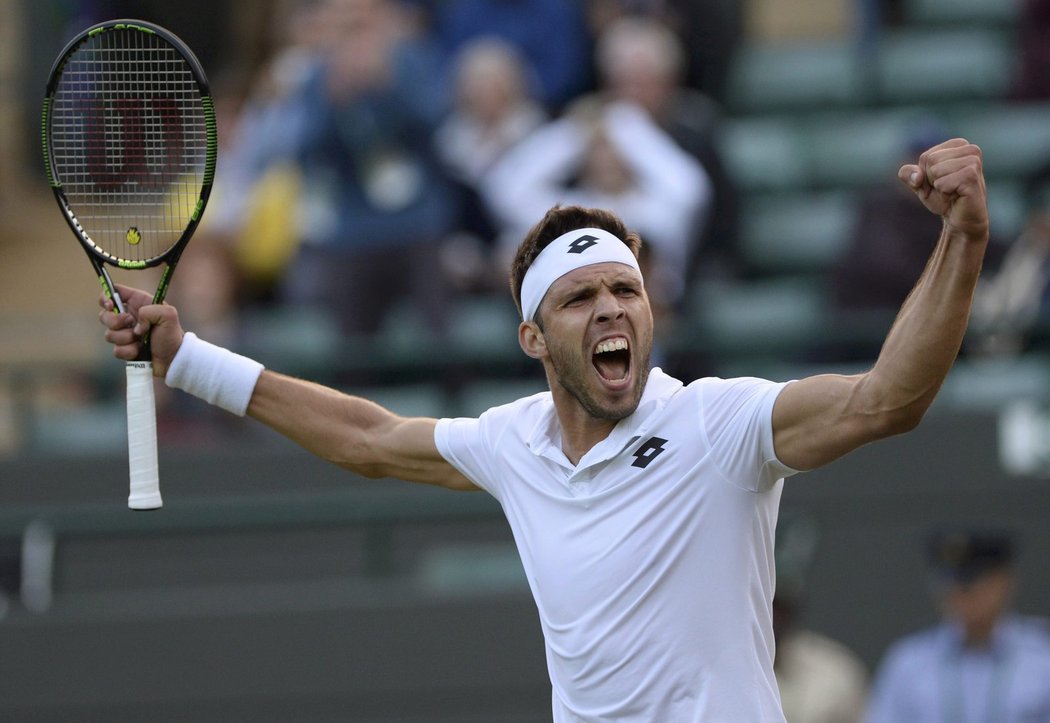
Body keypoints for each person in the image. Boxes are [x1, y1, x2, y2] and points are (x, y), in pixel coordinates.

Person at [100, 139, 988, 721]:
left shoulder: (720, 423)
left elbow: (886, 400)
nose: (612, 308)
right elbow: (366, 436)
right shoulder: (509, 441)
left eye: (627, 290)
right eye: (581, 298)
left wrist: (962, 241)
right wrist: (188, 360)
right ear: (533, 337)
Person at [864, 529, 1050, 723]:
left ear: (1004, 582)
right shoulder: (909, 662)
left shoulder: (1043, 658)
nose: (958, 594)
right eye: (948, 583)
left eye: (971, 584)